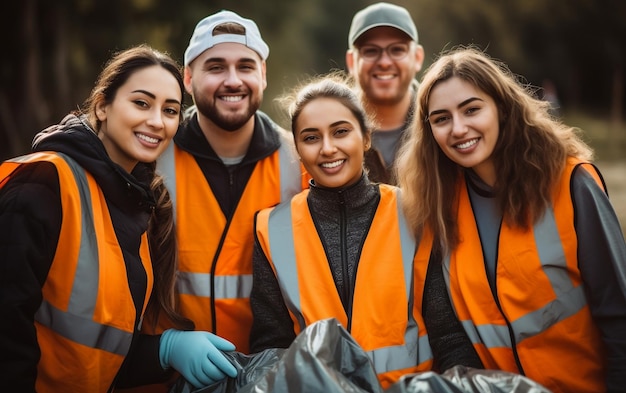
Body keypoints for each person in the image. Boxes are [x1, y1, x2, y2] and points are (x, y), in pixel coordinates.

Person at [0, 44, 237, 392]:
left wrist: (164, 350)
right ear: (102, 106)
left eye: (170, 110)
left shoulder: (137, 207)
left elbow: (104, 351)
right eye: (141, 103)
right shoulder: (43, 185)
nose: (156, 121)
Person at [396, 46, 626, 392]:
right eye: (441, 118)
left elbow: (619, 318)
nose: (458, 128)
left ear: (502, 108)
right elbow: (454, 332)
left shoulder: (571, 183)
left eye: (471, 109)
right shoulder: (437, 207)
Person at [249, 73, 432, 388]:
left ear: (366, 137)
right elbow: (272, 347)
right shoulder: (271, 229)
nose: (328, 148)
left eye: (341, 132)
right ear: (298, 149)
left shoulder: (413, 213)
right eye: (311, 137)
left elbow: (448, 331)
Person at [154, 10, 309, 356]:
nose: (233, 80)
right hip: (167, 376)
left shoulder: (300, 162)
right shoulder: (153, 159)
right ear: (188, 79)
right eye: (216, 67)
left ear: (263, 75)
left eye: (245, 66)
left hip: (271, 372)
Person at [345, 2, 425, 185]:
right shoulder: (330, 132)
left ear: (418, 57)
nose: (384, 62)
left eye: (397, 50)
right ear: (351, 61)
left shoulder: (442, 123)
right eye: (371, 51)